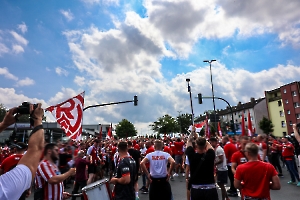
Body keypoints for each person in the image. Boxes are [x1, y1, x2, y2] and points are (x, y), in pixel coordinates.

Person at [0, 104, 45, 200]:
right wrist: (38, 118)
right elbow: (36, 148)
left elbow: (35, 148)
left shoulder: (7, 159)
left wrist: (4, 124)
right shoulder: (5, 191)